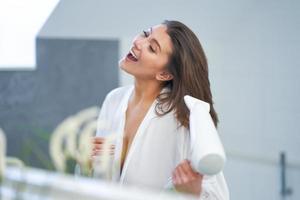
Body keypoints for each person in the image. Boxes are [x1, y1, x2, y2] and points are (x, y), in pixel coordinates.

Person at [91, 20, 229, 199]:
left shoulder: (183, 119)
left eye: (152, 48)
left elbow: (218, 196)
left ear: (164, 74)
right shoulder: (114, 100)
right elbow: (97, 184)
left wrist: (192, 193)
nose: (138, 43)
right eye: (145, 34)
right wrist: (89, 164)